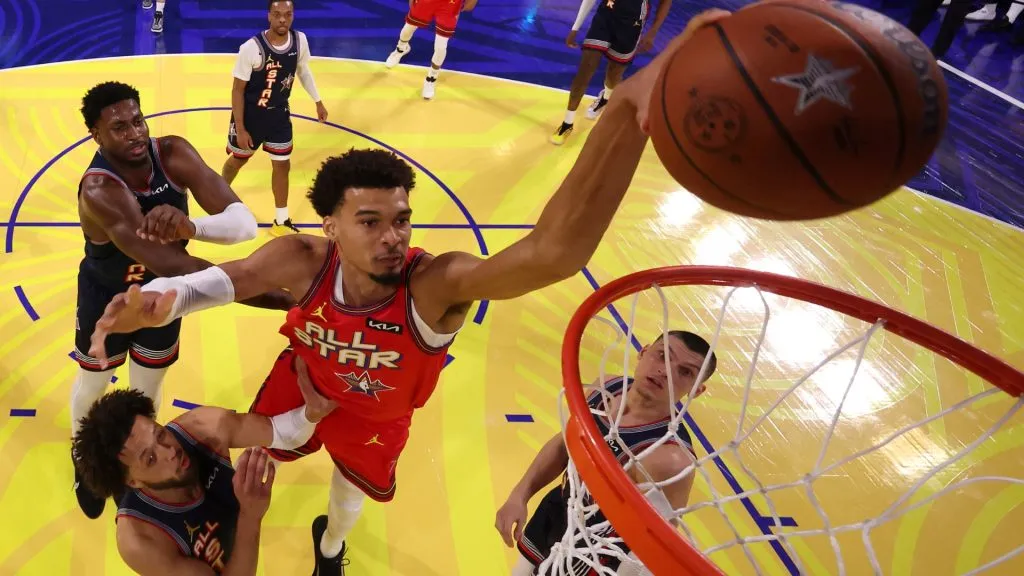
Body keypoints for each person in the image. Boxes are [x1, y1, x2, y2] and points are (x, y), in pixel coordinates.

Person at [86, 8, 731, 575]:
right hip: (305, 378)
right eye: (371, 222)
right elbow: (218, 284)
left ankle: (331, 548)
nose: (393, 237)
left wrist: (624, 114)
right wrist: (158, 300)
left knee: (347, 501)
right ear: (331, 227)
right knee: (254, 446)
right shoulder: (300, 256)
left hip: (378, 414)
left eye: (402, 219)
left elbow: (552, 253)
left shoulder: (435, 283)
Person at [73, 81, 293, 520]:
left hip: (166, 300)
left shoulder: (171, 153)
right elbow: (176, 264)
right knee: (95, 383)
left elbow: (243, 222)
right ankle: (85, 462)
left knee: (148, 384)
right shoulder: (100, 189)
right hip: (110, 298)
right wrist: (283, 298)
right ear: (96, 135)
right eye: (118, 128)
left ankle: (141, 460)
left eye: (138, 121)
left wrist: (190, 225)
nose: (135, 133)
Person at [71, 355, 337, 574]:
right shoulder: (141, 541)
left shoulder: (202, 428)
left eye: (161, 433)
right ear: (133, 481)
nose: (169, 451)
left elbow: (283, 432)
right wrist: (250, 517)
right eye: (150, 458)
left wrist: (309, 415)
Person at [495, 331, 717, 575]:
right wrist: (519, 495)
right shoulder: (604, 387)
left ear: (697, 390)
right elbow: (564, 444)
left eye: (685, 372)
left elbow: (654, 544)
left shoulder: (671, 459)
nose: (665, 370)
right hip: (561, 506)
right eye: (662, 356)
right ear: (642, 353)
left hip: (600, 548)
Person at [222, 0, 328, 236]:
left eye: (288, 15)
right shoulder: (251, 48)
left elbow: (303, 71)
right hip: (250, 117)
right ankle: (218, 193)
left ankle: (281, 220)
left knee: (282, 166)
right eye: (278, 14)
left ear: (293, 16)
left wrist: (317, 101)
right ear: (269, 16)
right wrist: (240, 128)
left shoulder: (300, 41)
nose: (283, 19)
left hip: (279, 116)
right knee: (237, 161)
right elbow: (237, 89)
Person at [551, 0, 673, 145]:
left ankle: (605, 98)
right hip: (605, 17)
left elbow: (666, 2)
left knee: (614, 74)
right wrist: (575, 27)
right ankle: (567, 123)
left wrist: (653, 32)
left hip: (632, 25)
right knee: (585, 69)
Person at [383, 0, 479, 99]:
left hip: (450, 4)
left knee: (441, 46)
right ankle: (401, 48)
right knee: (408, 27)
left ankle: (431, 78)